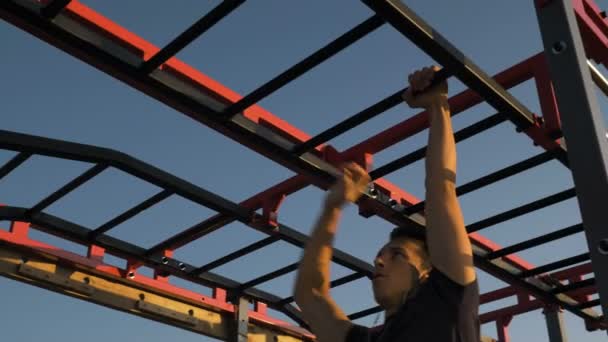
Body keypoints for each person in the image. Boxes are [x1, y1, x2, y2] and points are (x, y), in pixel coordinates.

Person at [294, 66, 480, 342]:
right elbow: (309, 295)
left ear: (427, 273)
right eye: (383, 254)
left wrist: (438, 106)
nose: (379, 261)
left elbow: (441, 188)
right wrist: (331, 208)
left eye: (397, 255)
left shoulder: (448, 299)